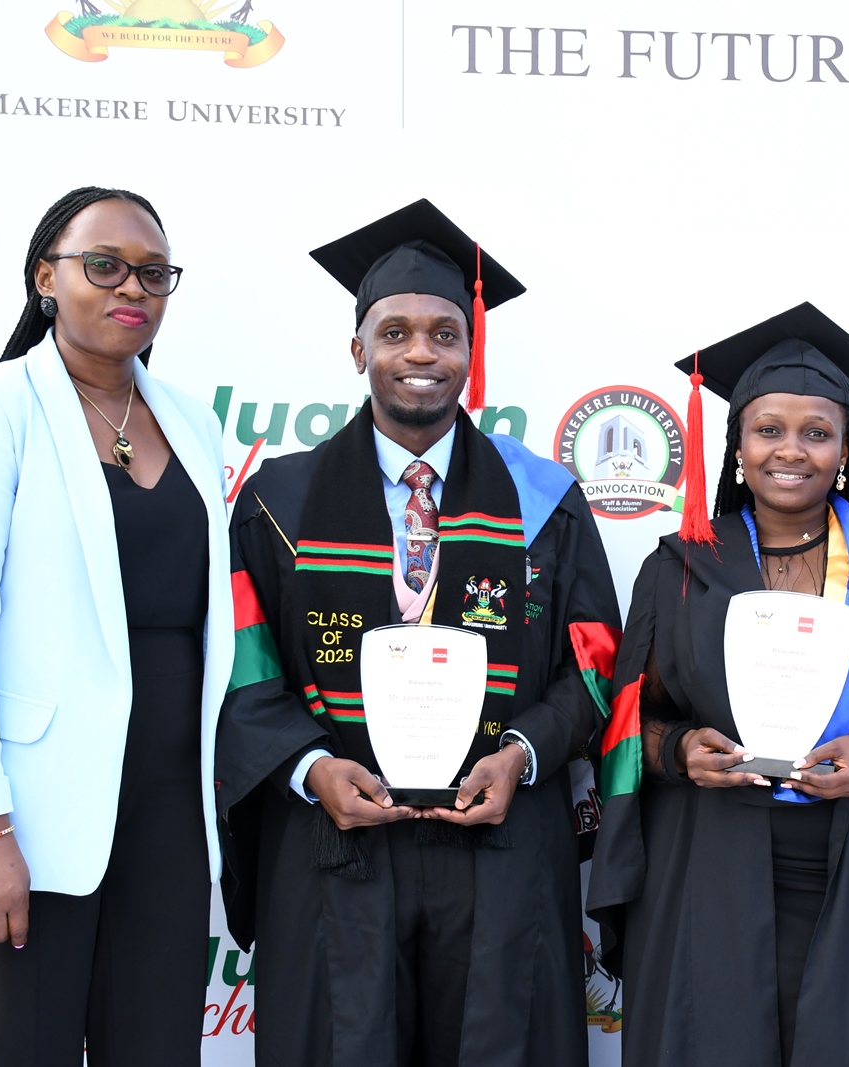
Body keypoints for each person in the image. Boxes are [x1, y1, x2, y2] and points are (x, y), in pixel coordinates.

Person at [213, 199, 622, 1067]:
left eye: (444, 331)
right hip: (338, 845)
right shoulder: (276, 502)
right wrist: (312, 767)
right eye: (394, 332)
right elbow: (247, 671)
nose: (420, 354)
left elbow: (594, 664)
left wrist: (522, 753)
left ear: (471, 351)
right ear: (358, 350)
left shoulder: (544, 500)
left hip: (500, 845)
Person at [586, 303, 849, 1067]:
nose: (792, 451)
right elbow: (628, 723)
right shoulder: (679, 565)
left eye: (816, 432)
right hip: (710, 865)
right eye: (769, 430)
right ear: (738, 445)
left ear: (846, 447)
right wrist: (684, 747)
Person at [0, 187, 232, 1066]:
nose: (134, 287)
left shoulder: (192, 421)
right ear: (47, 276)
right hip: (30, 822)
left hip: (167, 818)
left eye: (155, 272)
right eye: (105, 265)